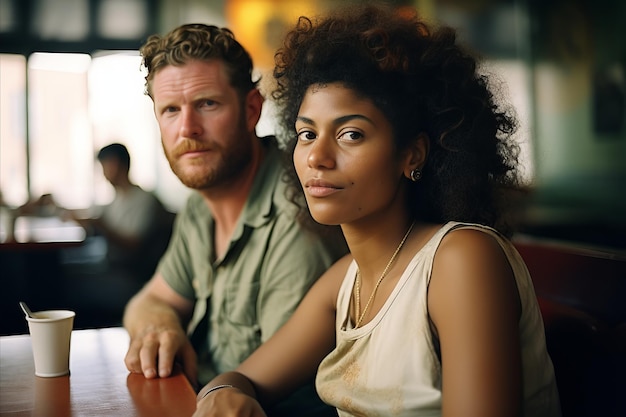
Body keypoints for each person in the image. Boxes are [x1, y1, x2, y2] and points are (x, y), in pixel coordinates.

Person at [194, 4, 561, 417]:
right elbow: (240, 380)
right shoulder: (343, 283)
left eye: (351, 134)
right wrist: (220, 396)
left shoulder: (462, 259)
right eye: (306, 133)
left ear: (413, 154)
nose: (317, 156)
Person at [121, 23, 345, 416]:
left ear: (251, 110)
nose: (187, 128)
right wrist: (162, 325)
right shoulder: (198, 207)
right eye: (171, 110)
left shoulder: (298, 213)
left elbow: (279, 395)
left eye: (207, 104)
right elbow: (148, 300)